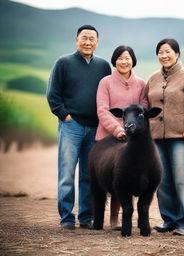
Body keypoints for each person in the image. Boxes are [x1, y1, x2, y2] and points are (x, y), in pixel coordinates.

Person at [47, 25, 111, 230]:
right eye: (84, 38)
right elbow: (53, 94)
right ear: (76, 39)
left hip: (95, 128)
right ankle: (66, 217)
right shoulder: (63, 62)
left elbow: (107, 94)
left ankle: (86, 217)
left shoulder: (103, 66)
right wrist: (64, 115)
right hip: (71, 125)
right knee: (66, 173)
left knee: (89, 175)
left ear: (97, 42)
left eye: (92, 38)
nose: (88, 42)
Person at [146, 38, 184, 236]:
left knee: (182, 179)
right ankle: (169, 220)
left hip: (182, 136)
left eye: (168, 51)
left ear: (177, 54)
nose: (164, 55)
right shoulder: (153, 78)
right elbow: (146, 106)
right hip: (156, 137)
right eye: (160, 52)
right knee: (162, 180)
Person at [95, 45, 148, 228]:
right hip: (108, 138)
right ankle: (99, 218)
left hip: (133, 141)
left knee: (127, 177)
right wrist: (118, 129)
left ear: (133, 60)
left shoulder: (141, 84)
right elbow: (102, 110)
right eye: (120, 58)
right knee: (108, 177)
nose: (124, 61)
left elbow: (143, 109)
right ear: (114, 61)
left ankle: (119, 219)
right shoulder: (106, 82)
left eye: (127, 58)